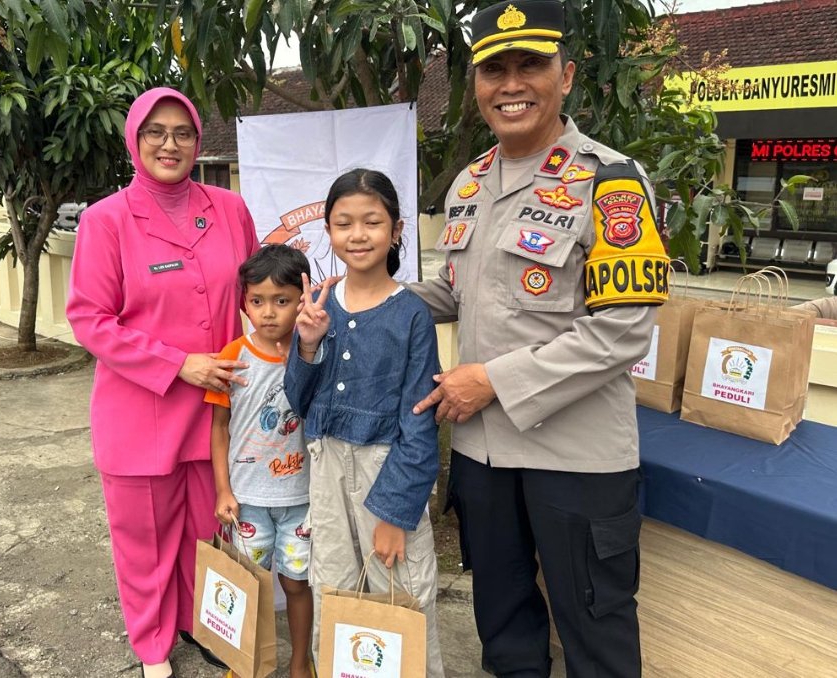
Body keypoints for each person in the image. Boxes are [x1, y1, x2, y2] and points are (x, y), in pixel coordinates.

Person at [408, 1, 670, 676]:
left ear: (568, 76)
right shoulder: (470, 184)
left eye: (532, 65)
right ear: (475, 85)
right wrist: (358, 302)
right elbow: (452, 295)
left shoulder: (609, 182)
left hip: (575, 455)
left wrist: (494, 379)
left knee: (596, 627)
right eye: (495, 69)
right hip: (483, 452)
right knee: (503, 622)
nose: (512, 84)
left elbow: (623, 331)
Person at [66, 87, 260, 678]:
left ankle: (202, 622)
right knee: (146, 539)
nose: (169, 144)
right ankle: (151, 642)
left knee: (207, 531)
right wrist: (179, 363)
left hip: (217, 406)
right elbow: (89, 318)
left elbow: (255, 293)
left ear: (199, 140)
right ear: (134, 140)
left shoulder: (229, 208)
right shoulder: (106, 220)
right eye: (155, 132)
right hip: (141, 411)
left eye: (182, 132)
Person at [284, 169, 445, 677]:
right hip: (326, 465)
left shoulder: (412, 314)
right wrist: (307, 344)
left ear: (396, 230)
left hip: (386, 470)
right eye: (344, 223)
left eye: (372, 222)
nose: (358, 235)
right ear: (328, 232)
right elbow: (298, 400)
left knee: (401, 592)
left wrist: (396, 513)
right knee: (334, 587)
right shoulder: (319, 306)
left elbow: (420, 420)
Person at [205, 244, 315, 678]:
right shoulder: (233, 356)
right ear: (244, 302)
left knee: (296, 583)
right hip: (247, 500)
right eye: (257, 301)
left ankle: (300, 660)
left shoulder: (315, 354)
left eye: (282, 301)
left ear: (302, 300)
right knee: (248, 583)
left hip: (302, 498)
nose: (268, 313)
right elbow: (219, 429)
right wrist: (223, 489)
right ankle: (244, 659)